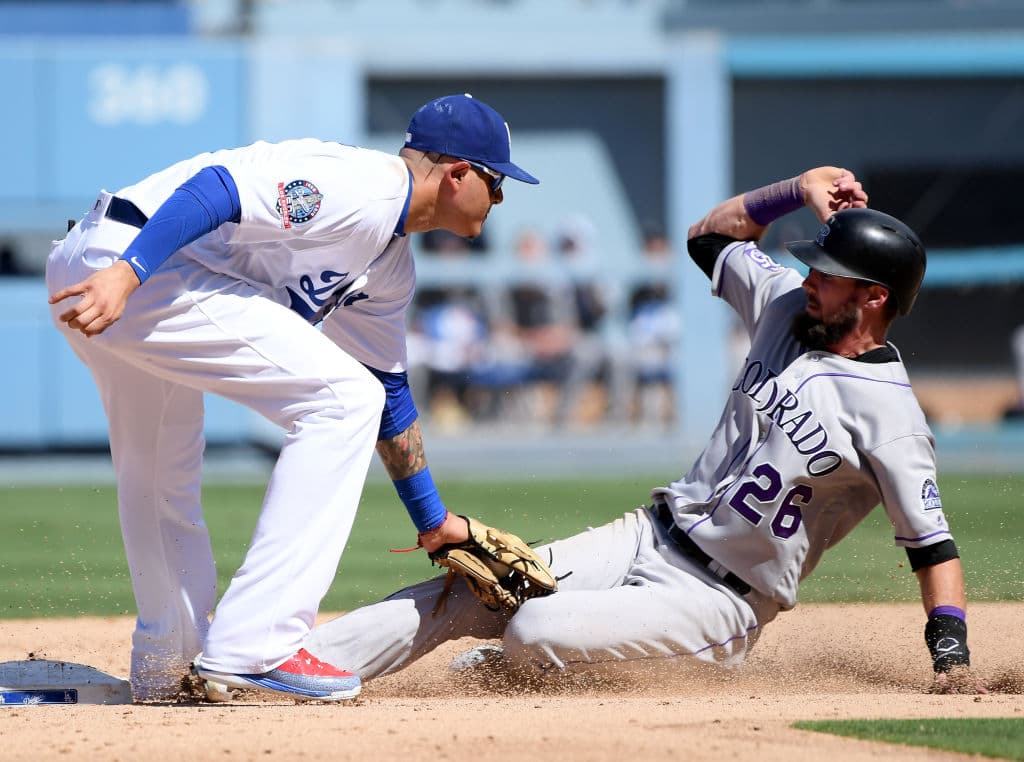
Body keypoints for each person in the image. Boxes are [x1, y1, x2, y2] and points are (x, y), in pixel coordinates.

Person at [304, 165, 976, 694]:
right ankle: (290, 665)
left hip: (718, 603)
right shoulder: (780, 307)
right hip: (647, 534)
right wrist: (793, 191)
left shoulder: (892, 418)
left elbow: (932, 547)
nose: (807, 280)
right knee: (476, 583)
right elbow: (709, 238)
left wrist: (952, 657)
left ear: (874, 297)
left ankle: (545, 664)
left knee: (535, 624)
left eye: (825, 276)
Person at [45, 93, 539, 702]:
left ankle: (167, 666)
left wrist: (433, 522)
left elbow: (387, 391)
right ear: (460, 173)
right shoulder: (362, 188)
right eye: (497, 183)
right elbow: (216, 189)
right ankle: (256, 646)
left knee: (162, 476)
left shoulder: (387, 265)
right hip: (133, 268)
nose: (501, 199)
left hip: (108, 269)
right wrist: (130, 273)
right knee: (339, 401)